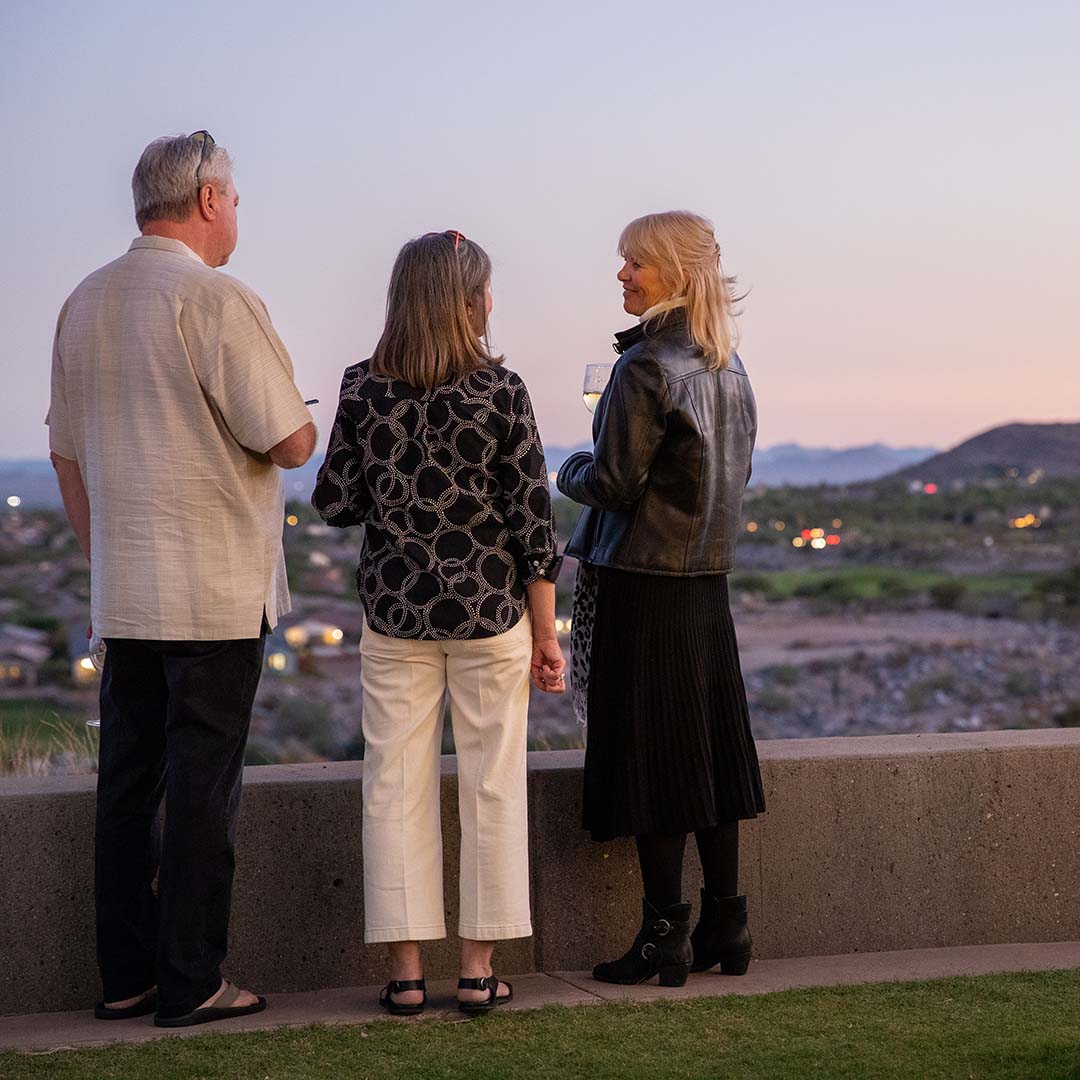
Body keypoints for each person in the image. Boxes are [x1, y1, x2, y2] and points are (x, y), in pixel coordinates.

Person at [47, 132, 316, 1027]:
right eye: (233, 197)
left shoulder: (83, 302)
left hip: (124, 592)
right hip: (212, 593)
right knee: (204, 792)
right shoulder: (215, 298)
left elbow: (65, 454)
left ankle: (126, 977)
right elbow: (290, 441)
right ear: (206, 199)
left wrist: (105, 557)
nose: (236, 211)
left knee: (126, 789)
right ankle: (194, 979)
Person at [312, 230, 565, 1015]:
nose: (492, 300)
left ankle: (406, 974)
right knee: (493, 784)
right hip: (490, 613)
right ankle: (478, 971)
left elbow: (334, 502)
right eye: (484, 288)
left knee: (392, 784)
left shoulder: (362, 387)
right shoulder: (501, 390)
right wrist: (547, 635)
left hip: (396, 614)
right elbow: (534, 526)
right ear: (467, 301)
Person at [557, 210, 765, 987]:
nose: (622, 275)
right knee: (710, 756)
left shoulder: (645, 365)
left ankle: (662, 938)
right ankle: (727, 924)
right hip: (705, 584)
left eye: (634, 263)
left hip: (643, 584)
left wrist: (567, 468)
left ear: (673, 272)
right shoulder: (730, 367)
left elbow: (613, 483)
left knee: (654, 760)